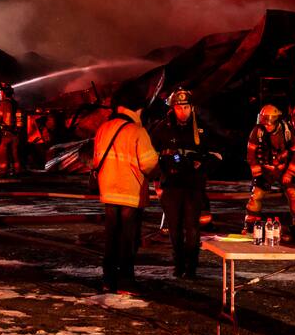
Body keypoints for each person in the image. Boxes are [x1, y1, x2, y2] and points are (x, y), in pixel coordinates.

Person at [149, 88, 220, 279]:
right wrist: (158, 182)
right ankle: (178, 264)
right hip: (170, 185)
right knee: (174, 229)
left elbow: (217, 156)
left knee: (192, 228)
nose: (183, 111)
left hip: (193, 186)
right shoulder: (161, 129)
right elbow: (150, 157)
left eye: (186, 107)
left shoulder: (202, 129)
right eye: (179, 107)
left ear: (192, 107)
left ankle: (191, 267)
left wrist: (201, 166)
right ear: (173, 108)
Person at [93, 92, 159, 293]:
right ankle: (125, 281)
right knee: (128, 240)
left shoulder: (103, 129)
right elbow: (150, 165)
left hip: (109, 193)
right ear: (137, 110)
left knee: (111, 237)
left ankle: (108, 279)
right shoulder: (137, 131)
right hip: (130, 193)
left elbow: (96, 161)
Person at [243, 103, 295, 235]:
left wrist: (289, 173)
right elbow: (251, 155)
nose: (266, 126)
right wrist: (258, 175)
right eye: (264, 123)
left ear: (276, 121)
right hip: (265, 171)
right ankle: (250, 224)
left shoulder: (288, 131)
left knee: (293, 194)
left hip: (284, 169)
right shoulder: (257, 132)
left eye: (269, 124)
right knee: (256, 194)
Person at [0, 82, 24, 177]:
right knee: (15, 154)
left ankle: (3, 172)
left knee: (2, 154)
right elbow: (20, 121)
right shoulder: (16, 104)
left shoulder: (2, 104)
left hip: (4, 135)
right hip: (15, 135)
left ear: (4, 93)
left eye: (0, 92)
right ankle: (17, 171)